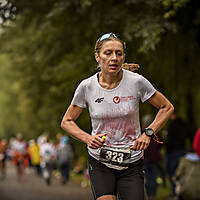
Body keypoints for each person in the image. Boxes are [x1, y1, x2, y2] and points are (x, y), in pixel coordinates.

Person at [61, 32, 174, 200]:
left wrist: (148, 133)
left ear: (123, 57)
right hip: (100, 159)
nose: (114, 58)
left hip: (131, 161)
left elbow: (166, 107)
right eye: (108, 53)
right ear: (97, 57)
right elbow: (66, 121)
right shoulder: (87, 87)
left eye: (118, 53)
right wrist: (87, 138)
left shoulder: (136, 82)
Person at [165, 111, 190, 197]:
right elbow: (188, 135)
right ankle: (183, 193)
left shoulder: (172, 125)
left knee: (173, 174)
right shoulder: (183, 124)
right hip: (182, 151)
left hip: (173, 153)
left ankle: (176, 194)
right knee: (182, 173)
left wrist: (166, 146)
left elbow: (170, 140)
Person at [143, 114, 165, 200]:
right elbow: (161, 144)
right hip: (153, 159)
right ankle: (152, 195)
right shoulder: (156, 133)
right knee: (152, 179)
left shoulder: (142, 132)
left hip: (146, 159)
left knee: (148, 179)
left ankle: (150, 195)